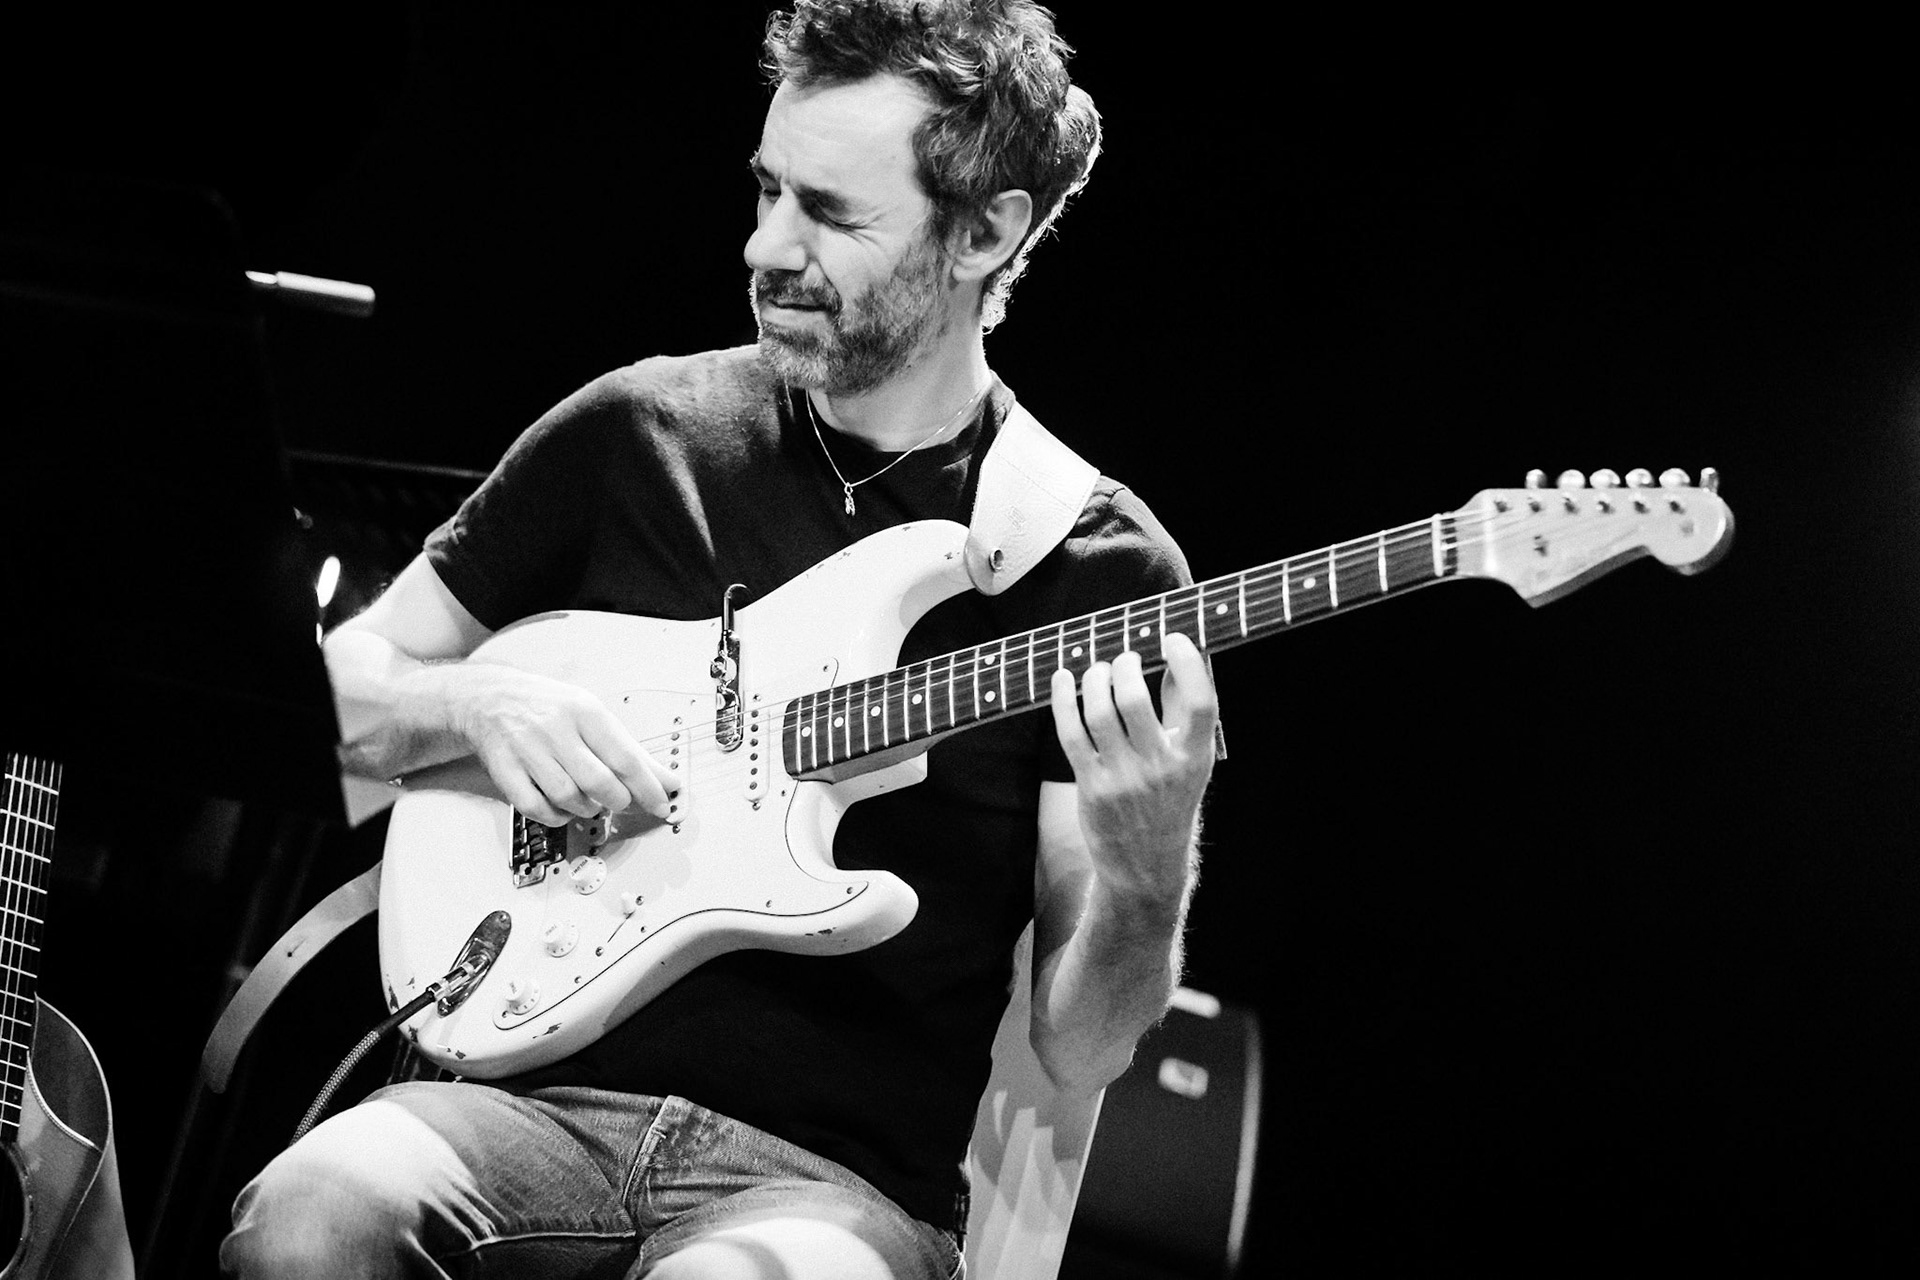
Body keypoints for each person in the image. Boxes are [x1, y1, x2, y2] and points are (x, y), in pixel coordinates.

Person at [221, 2, 1219, 1277]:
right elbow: (342, 686)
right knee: (311, 1213)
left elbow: (1082, 1044)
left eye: (832, 215)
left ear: (986, 232)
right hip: (522, 1103)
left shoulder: (1097, 566)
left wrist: (1146, 870)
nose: (765, 246)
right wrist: (476, 711)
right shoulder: (637, 431)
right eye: (767, 191)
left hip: (829, 1189)